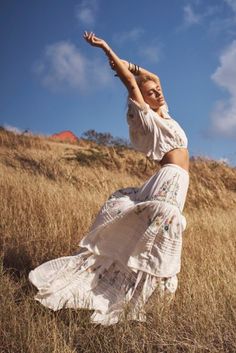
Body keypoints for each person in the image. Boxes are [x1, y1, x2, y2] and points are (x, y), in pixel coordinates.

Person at [29, 32, 190, 326]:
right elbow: (131, 84)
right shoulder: (148, 117)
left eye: (158, 90)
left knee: (159, 239)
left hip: (179, 182)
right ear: (143, 98)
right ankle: (123, 299)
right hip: (168, 180)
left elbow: (150, 75)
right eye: (151, 92)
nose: (158, 93)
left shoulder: (165, 112)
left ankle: (138, 301)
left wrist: (133, 66)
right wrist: (106, 50)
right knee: (159, 236)